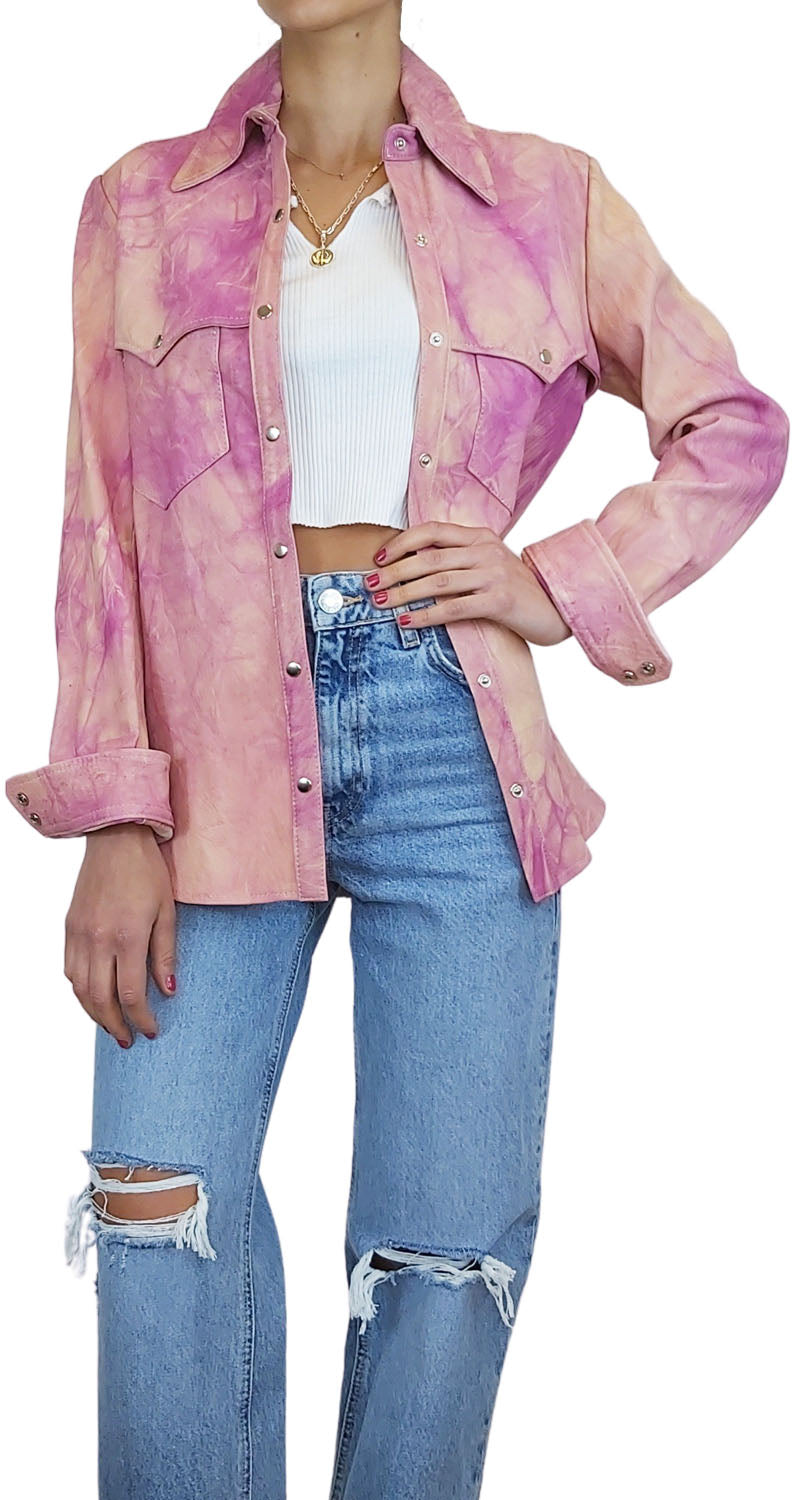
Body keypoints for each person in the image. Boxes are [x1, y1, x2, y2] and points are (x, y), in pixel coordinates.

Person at [5, 3, 789, 1497]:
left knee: (443, 1248)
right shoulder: (136, 205)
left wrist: (555, 581)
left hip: (455, 737)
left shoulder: (548, 198)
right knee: (158, 1192)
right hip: (212, 754)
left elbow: (732, 428)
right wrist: (113, 808)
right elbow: (98, 531)